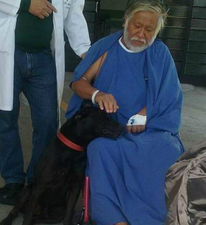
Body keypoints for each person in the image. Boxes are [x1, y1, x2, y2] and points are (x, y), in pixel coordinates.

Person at [65, 0, 185, 224]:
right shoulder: (106, 48)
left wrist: (144, 114)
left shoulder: (159, 53)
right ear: (125, 22)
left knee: (165, 149)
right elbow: (79, 83)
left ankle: (153, 218)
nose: (141, 34)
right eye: (137, 26)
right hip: (111, 128)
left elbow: (170, 95)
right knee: (99, 149)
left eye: (149, 30)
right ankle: (114, 218)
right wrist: (97, 94)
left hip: (151, 128)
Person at [0, 0, 90, 205]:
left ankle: (37, 180)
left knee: (47, 122)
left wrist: (86, 52)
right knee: (6, 120)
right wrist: (25, 3)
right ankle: (13, 180)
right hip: (7, 51)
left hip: (43, 57)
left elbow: (74, 13)